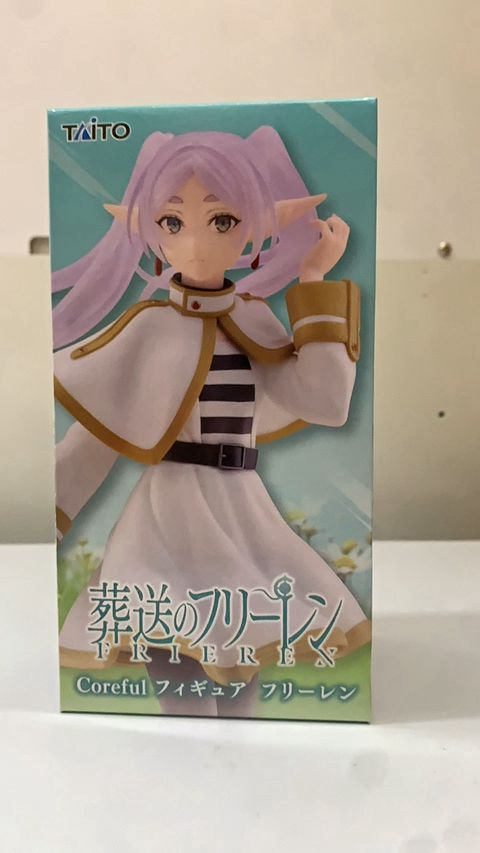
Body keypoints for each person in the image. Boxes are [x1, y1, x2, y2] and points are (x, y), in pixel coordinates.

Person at [53, 126, 371, 717]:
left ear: (255, 231)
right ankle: (191, 759)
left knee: (238, 658)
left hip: (241, 514)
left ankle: (232, 759)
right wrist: (51, 511)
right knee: (179, 664)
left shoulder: (255, 322)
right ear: (151, 235)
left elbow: (326, 403)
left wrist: (313, 284)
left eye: (222, 220)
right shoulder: (146, 330)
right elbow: (97, 438)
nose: (196, 243)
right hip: (164, 520)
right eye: (172, 222)